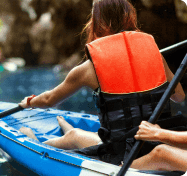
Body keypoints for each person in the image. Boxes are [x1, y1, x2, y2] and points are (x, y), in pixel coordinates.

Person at [18, 0, 186, 167]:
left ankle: (34, 143)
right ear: (129, 17)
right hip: (160, 139)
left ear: (99, 22)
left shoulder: (88, 69)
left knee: (84, 139)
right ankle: (70, 132)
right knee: (75, 135)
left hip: (124, 153)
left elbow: (49, 100)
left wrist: (29, 102)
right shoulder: (155, 53)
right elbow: (179, 96)